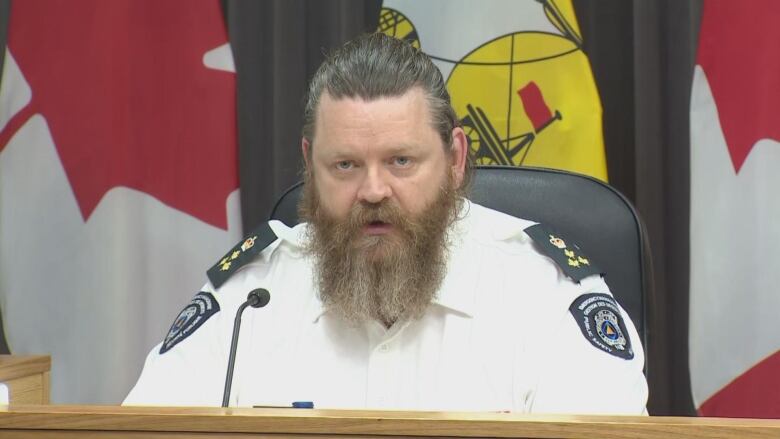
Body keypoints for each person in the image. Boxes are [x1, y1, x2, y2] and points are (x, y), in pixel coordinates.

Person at [124, 33, 648, 413]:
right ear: (309, 165)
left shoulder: (544, 297)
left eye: (401, 161)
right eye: (345, 165)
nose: (373, 191)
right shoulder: (247, 301)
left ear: (456, 157)